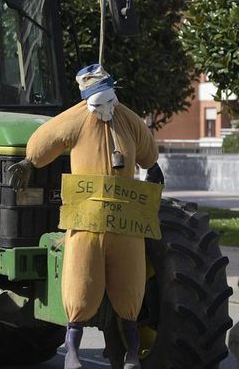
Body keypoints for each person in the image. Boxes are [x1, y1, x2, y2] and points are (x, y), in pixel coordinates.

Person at [9, 64, 163, 369]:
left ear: (114, 95)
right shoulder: (76, 119)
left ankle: (132, 352)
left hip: (125, 225)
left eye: (108, 100)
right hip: (86, 222)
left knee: (130, 289)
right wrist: (29, 162)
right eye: (97, 102)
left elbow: (148, 153)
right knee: (80, 287)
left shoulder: (129, 121)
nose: (103, 108)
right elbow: (42, 143)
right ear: (86, 101)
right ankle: (74, 353)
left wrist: (153, 167)